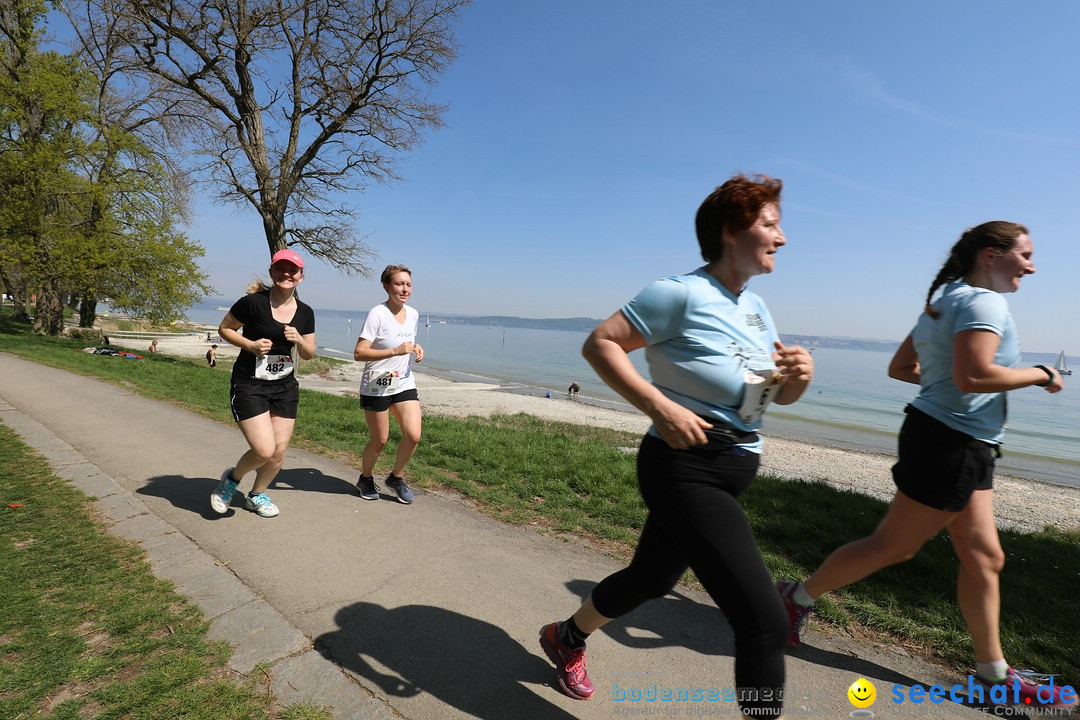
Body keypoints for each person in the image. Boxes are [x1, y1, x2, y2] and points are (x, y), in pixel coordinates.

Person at [538, 175, 813, 719]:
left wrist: (798, 377)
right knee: (765, 623)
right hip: (684, 466)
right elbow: (601, 343)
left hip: (734, 461)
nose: (782, 238)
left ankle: (566, 635)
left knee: (653, 577)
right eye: (771, 224)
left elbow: (768, 398)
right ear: (732, 231)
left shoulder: (756, 308)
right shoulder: (680, 293)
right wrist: (658, 406)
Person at [777, 221, 1075, 708]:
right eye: (1024, 254)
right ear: (990, 254)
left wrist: (944, 386)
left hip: (956, 440)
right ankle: (794, 598)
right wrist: (1041, 374)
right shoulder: (983, 302)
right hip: (951, 445)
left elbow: (902, 368)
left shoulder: (944, 301)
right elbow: (975, 374)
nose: (1032, 264)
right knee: (893, 546)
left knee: (985, 557)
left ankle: (992, 673)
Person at [209, 249, 316, 518]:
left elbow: (309, 353)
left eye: (292, 270)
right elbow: (225, 329)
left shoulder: (305, 313)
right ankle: (231, 481)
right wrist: (250, 345)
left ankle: (256, 495)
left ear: (301, 277)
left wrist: (300, 340)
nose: (286, 274)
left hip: (284, 387)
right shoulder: (252, 303)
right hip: (250, 384)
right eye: (281, 269)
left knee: (278, 452)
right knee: (263, 449)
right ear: (272, 272)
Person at [353, 264, 424, 505]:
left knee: (413, 435)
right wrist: (394, 350)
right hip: (376, 385)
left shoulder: (413, 314)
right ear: (386, 286)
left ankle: (396, 478)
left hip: (403, 382)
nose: (404, 289)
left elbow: (406, 342)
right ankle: (365, 478)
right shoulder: (378, 314)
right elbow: (359, 353)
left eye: (408, 284)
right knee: (380, 440)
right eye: (399, 284)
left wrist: (416, 347)